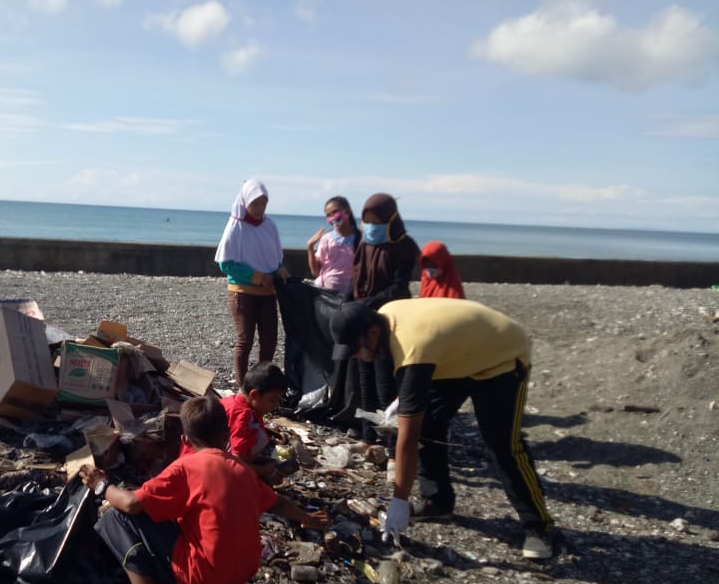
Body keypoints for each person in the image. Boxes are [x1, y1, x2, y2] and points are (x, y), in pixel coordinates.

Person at [78, 396, 330, 584]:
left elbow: (131, 504)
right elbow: (277, 503)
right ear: (226, 434)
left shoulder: (185, 468)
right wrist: (306, 518)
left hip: (201, 581)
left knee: (114, 517)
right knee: (162, 513)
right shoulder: (242, 470)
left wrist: (101, 485)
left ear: (185, 439)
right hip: (243, 571)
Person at [329, 298, 556, 560]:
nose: (356, 356)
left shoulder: (412, 347)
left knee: (503, 445)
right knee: (429, 424)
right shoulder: (383, 319)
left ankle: (539, 526)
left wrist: (399, 500)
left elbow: (408, 437)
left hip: (501, 355)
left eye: (355, 349)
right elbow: (427, 358)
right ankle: (437, 501)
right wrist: (405, 399)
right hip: (457, 357)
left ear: (372, 333)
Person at [351, 193, 419, 443]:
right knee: (364, 384)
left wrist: (366, 304)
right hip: (362, 323)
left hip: (388, 324)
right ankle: (369, 438)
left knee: (385, 386)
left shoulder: (403, 246)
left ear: (390, 220)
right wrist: (348, 304)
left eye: (376, 221)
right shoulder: (365, 245)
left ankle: (391, 444)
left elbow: (399, 287)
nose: (370, 227)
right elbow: (355, 279)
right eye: (366, 221)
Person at [215, 179, 288, 387]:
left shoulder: (269, 225)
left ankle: (262, 384)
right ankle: (243, 388)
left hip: (267, 292)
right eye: (255, 204)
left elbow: (274, 257)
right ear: (245, 202)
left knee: (269, 341)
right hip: (242, 291)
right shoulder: (236, 226)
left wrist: (279, 268)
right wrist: (258, 276)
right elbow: (226, 264)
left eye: (263, 204)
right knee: (244, 341)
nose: (259, 209)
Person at [179, 362, 297, 483]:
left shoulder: (234, 402)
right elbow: (234, 462)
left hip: (196, 461)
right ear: (254, 394)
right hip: (202, 470)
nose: (275, 406)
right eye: (272, 400)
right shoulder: (242, 416)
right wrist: (264, 471)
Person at [306, 195, 359, 293]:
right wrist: (310, 247)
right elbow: (316, 272)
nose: (332, 217)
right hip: (324, 293)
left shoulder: (360, 239)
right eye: (328, 215)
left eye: (334, 212)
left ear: (347, 212)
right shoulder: (326, 239)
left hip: (349, 295)